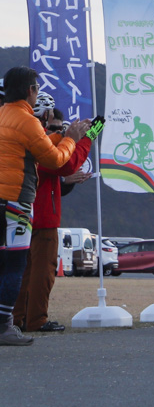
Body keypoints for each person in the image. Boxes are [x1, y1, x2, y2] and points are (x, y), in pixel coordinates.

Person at [0, 67, 88, 345]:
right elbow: (55, 161)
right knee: (17, 266)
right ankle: (5, 326)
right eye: (36, 87)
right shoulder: (27, 122)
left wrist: (59, 137)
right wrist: (73, 138)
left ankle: (8, 323)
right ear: (30, 91)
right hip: (17, 202)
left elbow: (30, 148)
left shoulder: (3, 114)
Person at [13, 107, 97, 333]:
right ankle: (36, 319)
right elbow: (67, 162)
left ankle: (17, 319)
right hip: (41, 218)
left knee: (21, 271)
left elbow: (59, 176)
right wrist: (85, 139)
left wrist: (67, 181)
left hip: (21, 215)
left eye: (61, 130)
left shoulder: (17, 135)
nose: (57, 134)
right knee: (43, 272)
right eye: (53, 129)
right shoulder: (39, 145)